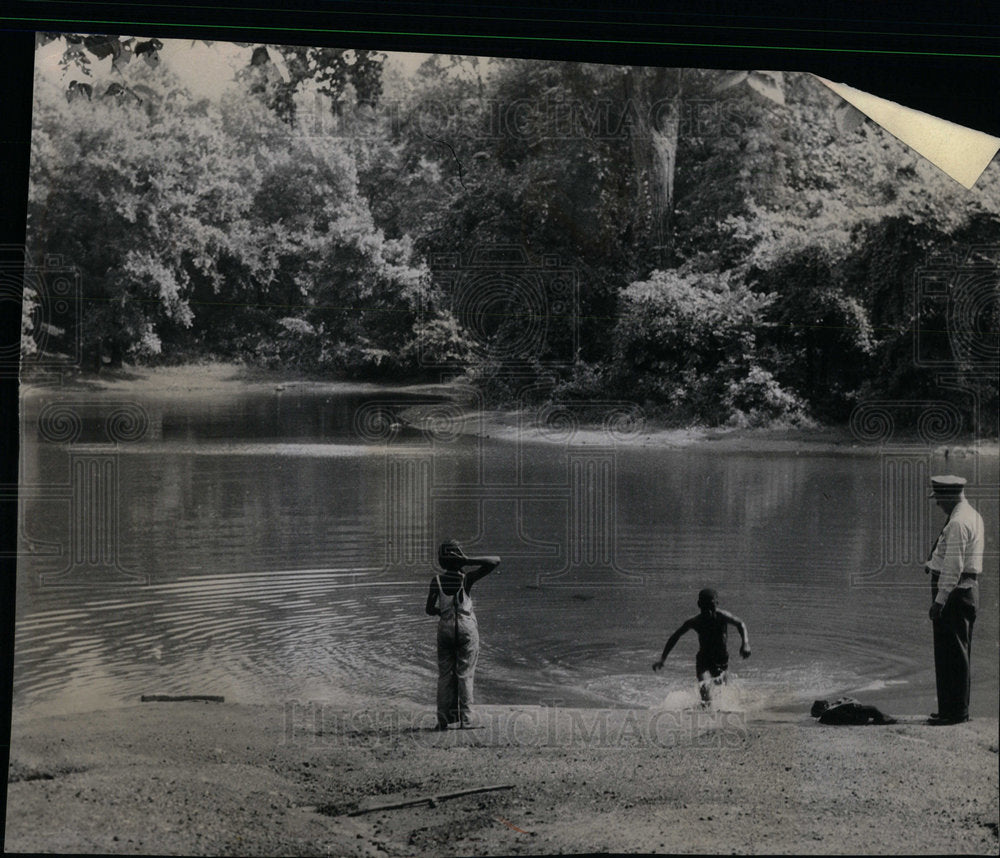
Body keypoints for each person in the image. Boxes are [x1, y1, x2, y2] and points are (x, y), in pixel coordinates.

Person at [924, 475, 983, 726]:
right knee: (956, 652)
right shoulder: (972, 515)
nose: (938, 504)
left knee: (952, 654)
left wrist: (940, 600)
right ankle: (951, 708)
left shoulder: (958, 522)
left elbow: (954, 566)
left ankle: (955, 712)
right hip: (964, 590)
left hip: (955, 592)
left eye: (939, 498)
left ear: (949, 496)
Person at [425, 540, 500, 730]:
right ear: (459, 559)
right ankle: (466, 720)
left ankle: (442, 721)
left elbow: (428, 609)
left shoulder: (437, 581)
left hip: (445, 628)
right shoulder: (466, 579)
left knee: (445, 675)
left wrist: (442, 612)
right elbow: (495, 561)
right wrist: (468, 560)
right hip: (466, 627)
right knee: (465, 674)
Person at [652, 588, 751, 706]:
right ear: (699, 605)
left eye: (712, 607)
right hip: (704, 658)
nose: (709, 611)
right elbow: (675, 636)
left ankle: (721, 713)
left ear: (717, 604)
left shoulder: (722, 616)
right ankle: (706, 714)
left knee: (723, 691)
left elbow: (741, 624)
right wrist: (662, 659)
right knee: (704, 688)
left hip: (721, 658)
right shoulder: (695, 621)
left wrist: (745, 643)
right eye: (705, 608)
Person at [810, 698, 897, 725]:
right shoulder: (829, 712)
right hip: (855, 719)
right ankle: (881, 720)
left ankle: (882, 718)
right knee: (871, 709)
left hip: (849, 717)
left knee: (870, 709)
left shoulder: (826, 714)